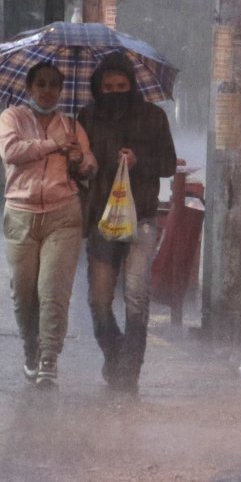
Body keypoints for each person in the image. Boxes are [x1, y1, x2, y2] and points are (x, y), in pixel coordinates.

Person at [77, 53, 177, 394]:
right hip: (101, 220)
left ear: (132, 86)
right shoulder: (87, 117)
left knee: (137, 296)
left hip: (142, 218)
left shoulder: (153, 117)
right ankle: (114, 351)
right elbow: (78, 167)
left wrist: (139, 160)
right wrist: (83, 164)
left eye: (121, 86)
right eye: (108, 87)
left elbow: (167, 164)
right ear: (98, 87)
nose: (115, 92)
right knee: (99, 300)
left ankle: (130, 371)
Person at [0, 62, 96, 388]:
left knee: (53, 291)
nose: (47, 90)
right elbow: (12, 151)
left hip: (63, 216)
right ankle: (31, 350)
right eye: (41, 83)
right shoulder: (12, 118)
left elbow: (90, 168)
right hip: (20, 216)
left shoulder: (71, 126)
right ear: (29, 87)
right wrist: (53, 146)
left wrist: (80, 158)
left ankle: (49, 358)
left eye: (54, 84)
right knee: (23, 294)